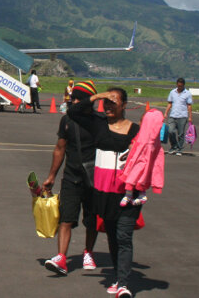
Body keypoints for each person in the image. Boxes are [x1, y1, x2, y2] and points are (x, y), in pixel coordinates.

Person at [68, 86, 140, 298]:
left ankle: (123, 285)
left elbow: (149, 152)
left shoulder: (135, 130)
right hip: (103, 191)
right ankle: (118, 277)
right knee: (113, 238)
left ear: (124, 105)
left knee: (124, 237)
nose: (108, 105)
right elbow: (73, 112)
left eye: (113, 101)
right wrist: (97, 96)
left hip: (128, 193)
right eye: (106, 102)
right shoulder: (98, 124)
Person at [42, 81, 99, 276]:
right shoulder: (67, 120)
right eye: (72, 97)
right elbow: (60, 149)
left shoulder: (99, 121)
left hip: (94, 179)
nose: (73, 100)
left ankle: (88, 252)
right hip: (71, 176)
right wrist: (51, 176)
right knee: (65, 218)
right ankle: (61, 257)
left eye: (77, 98)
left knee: (91, 220)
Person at [118, 109, 165, 207]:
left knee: (135, 176)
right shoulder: (148, 139)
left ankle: (130, 194)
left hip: (140, 161)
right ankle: (135, 194)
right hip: (138, 160)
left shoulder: (152, 142)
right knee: (139, 176)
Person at [162, 78, 193, 156]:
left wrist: (190, 117)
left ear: (183, 85)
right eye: (178, 86)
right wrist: (165, 113)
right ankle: (174, 146)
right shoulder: (172, 92)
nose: (180, 87)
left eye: (181, 86)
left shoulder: (187, 93)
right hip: (173, 115)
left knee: (181, 133)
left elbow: (189, 106)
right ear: (176, 85)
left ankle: (179, 148)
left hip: (182, 116)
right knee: (170, 131)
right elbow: (169, 103)